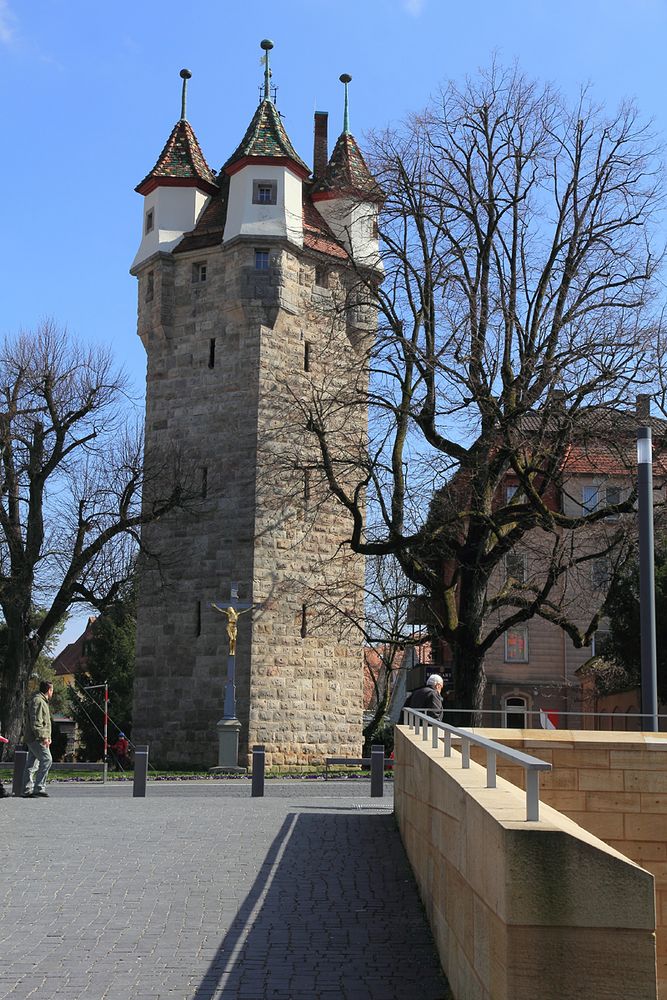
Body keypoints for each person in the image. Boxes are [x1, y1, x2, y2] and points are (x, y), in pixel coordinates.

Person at [22, 680, 54, 798]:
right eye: (52, 690)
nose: (52, 693)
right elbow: (36, 722)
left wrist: (48, 737)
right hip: (36, 738)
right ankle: (39, 788)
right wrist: (43, 737)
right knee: (47, 760)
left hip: (34, 738)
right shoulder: (38, 701)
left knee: (32, 764)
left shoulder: (41, 701)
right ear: (49, 690)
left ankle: (25, 790)